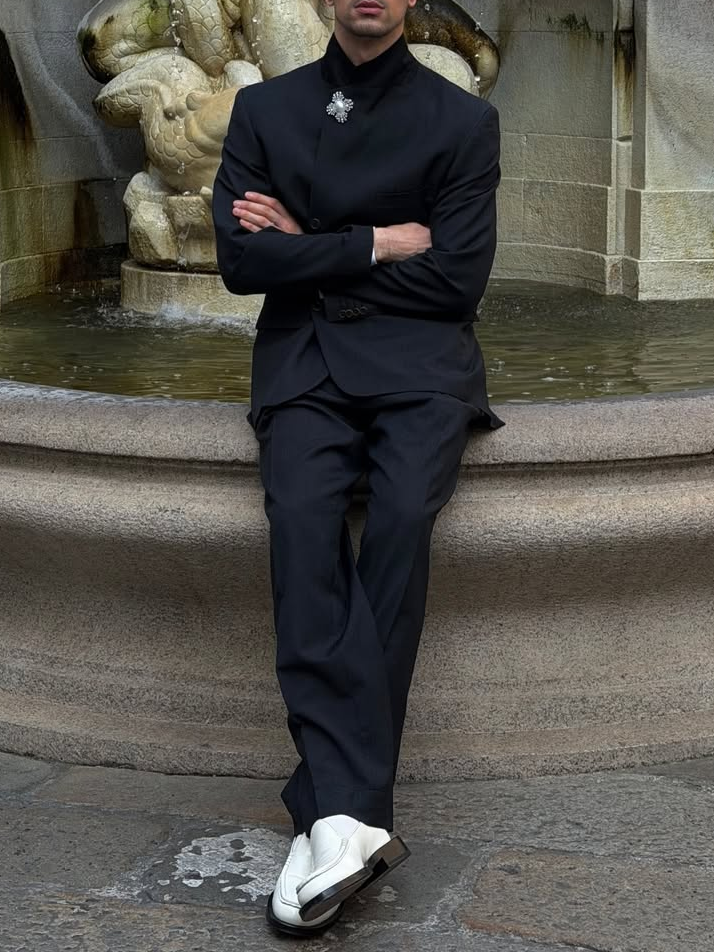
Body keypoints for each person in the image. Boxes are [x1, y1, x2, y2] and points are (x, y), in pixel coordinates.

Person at [212, 0, 503, 936]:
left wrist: (305, 244)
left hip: (423, 369)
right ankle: (354, 816)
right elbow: (239, 260)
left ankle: (330, 808)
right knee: (302, 524)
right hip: (304, 366)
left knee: (403, 520)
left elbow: (456, 280)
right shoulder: (265, 109)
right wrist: (377, 241)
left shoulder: (463, 119)